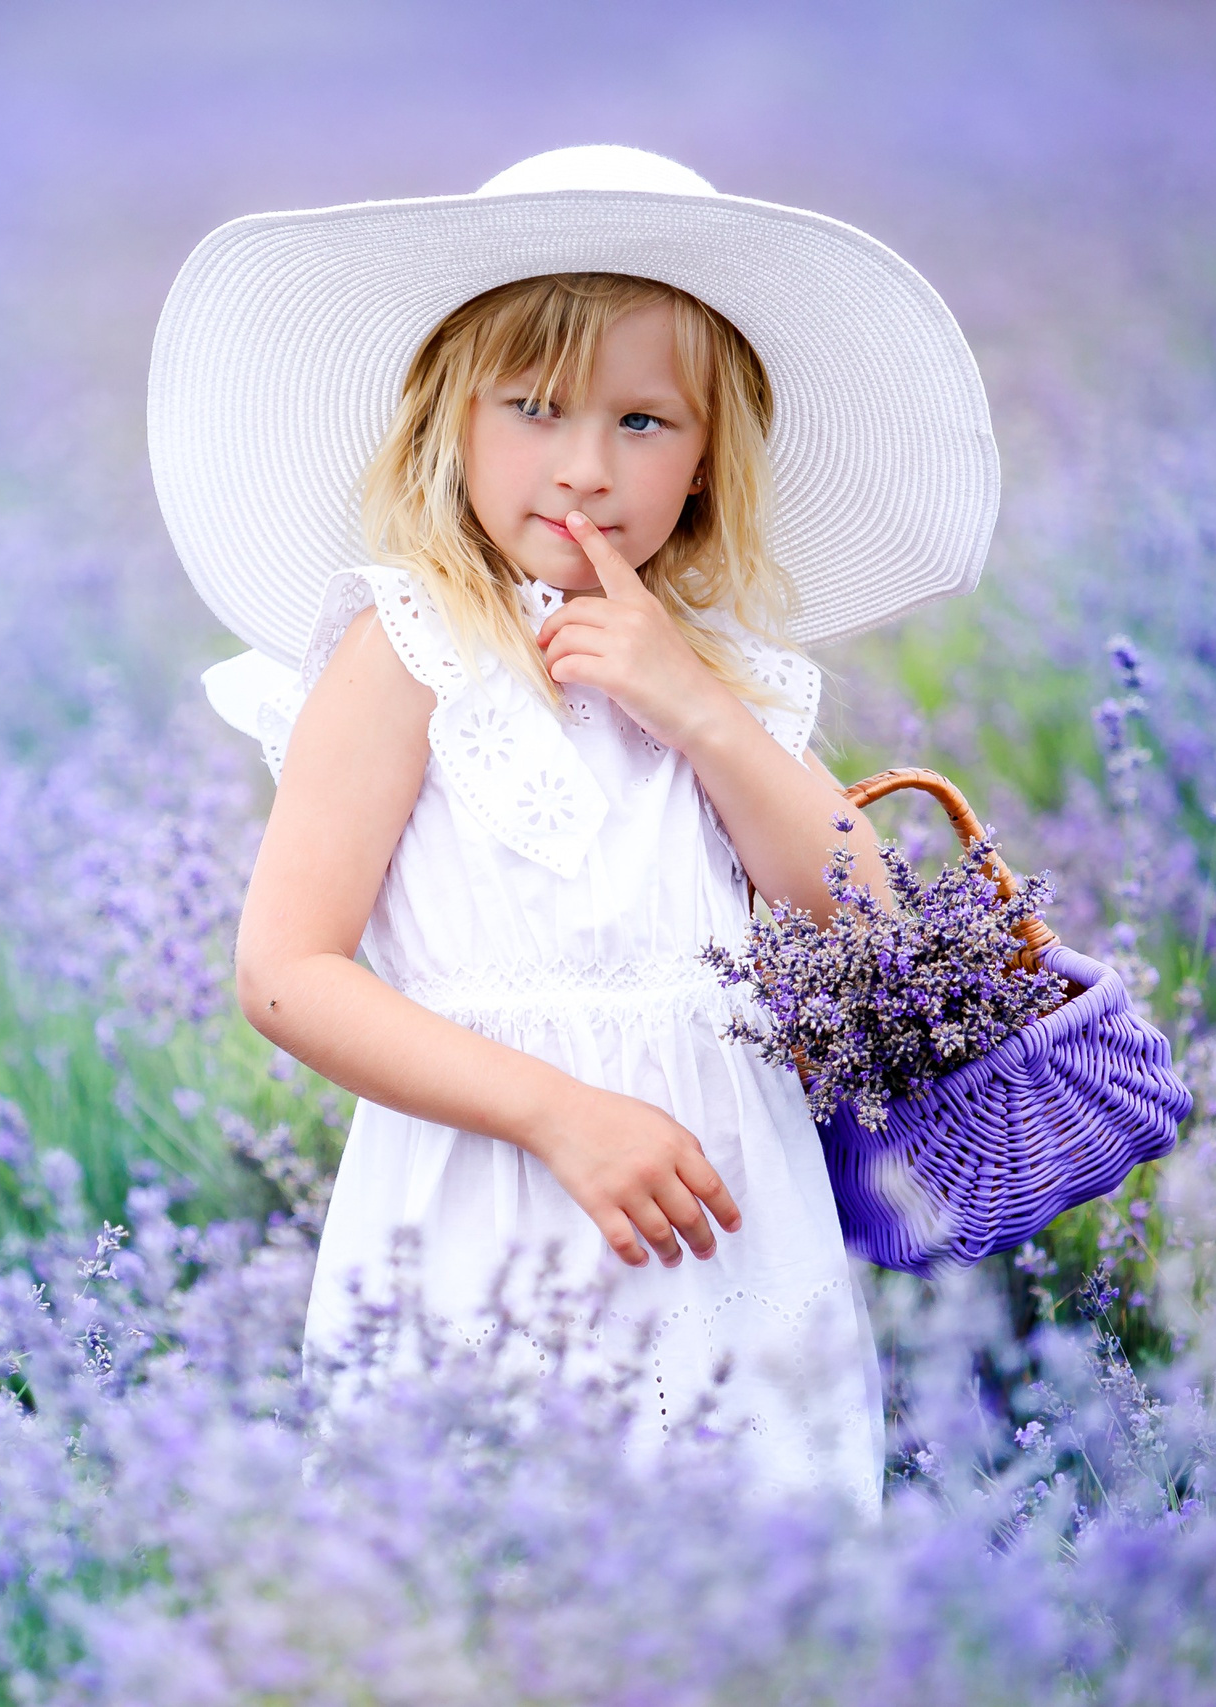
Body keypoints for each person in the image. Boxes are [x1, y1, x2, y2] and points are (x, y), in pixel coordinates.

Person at [149, 145, 999, 1507]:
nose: (585, 469)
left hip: (721, 1226)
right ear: (451, 420)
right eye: (534, 409)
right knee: (491, 1565)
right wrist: (560, 1114)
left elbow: (867, 924)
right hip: (492, 1200)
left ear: (712, 463)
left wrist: (699, 710)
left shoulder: (728, 670)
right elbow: (285, 973)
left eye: (645, 424)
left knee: (746, 1573)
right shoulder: (404, 645)